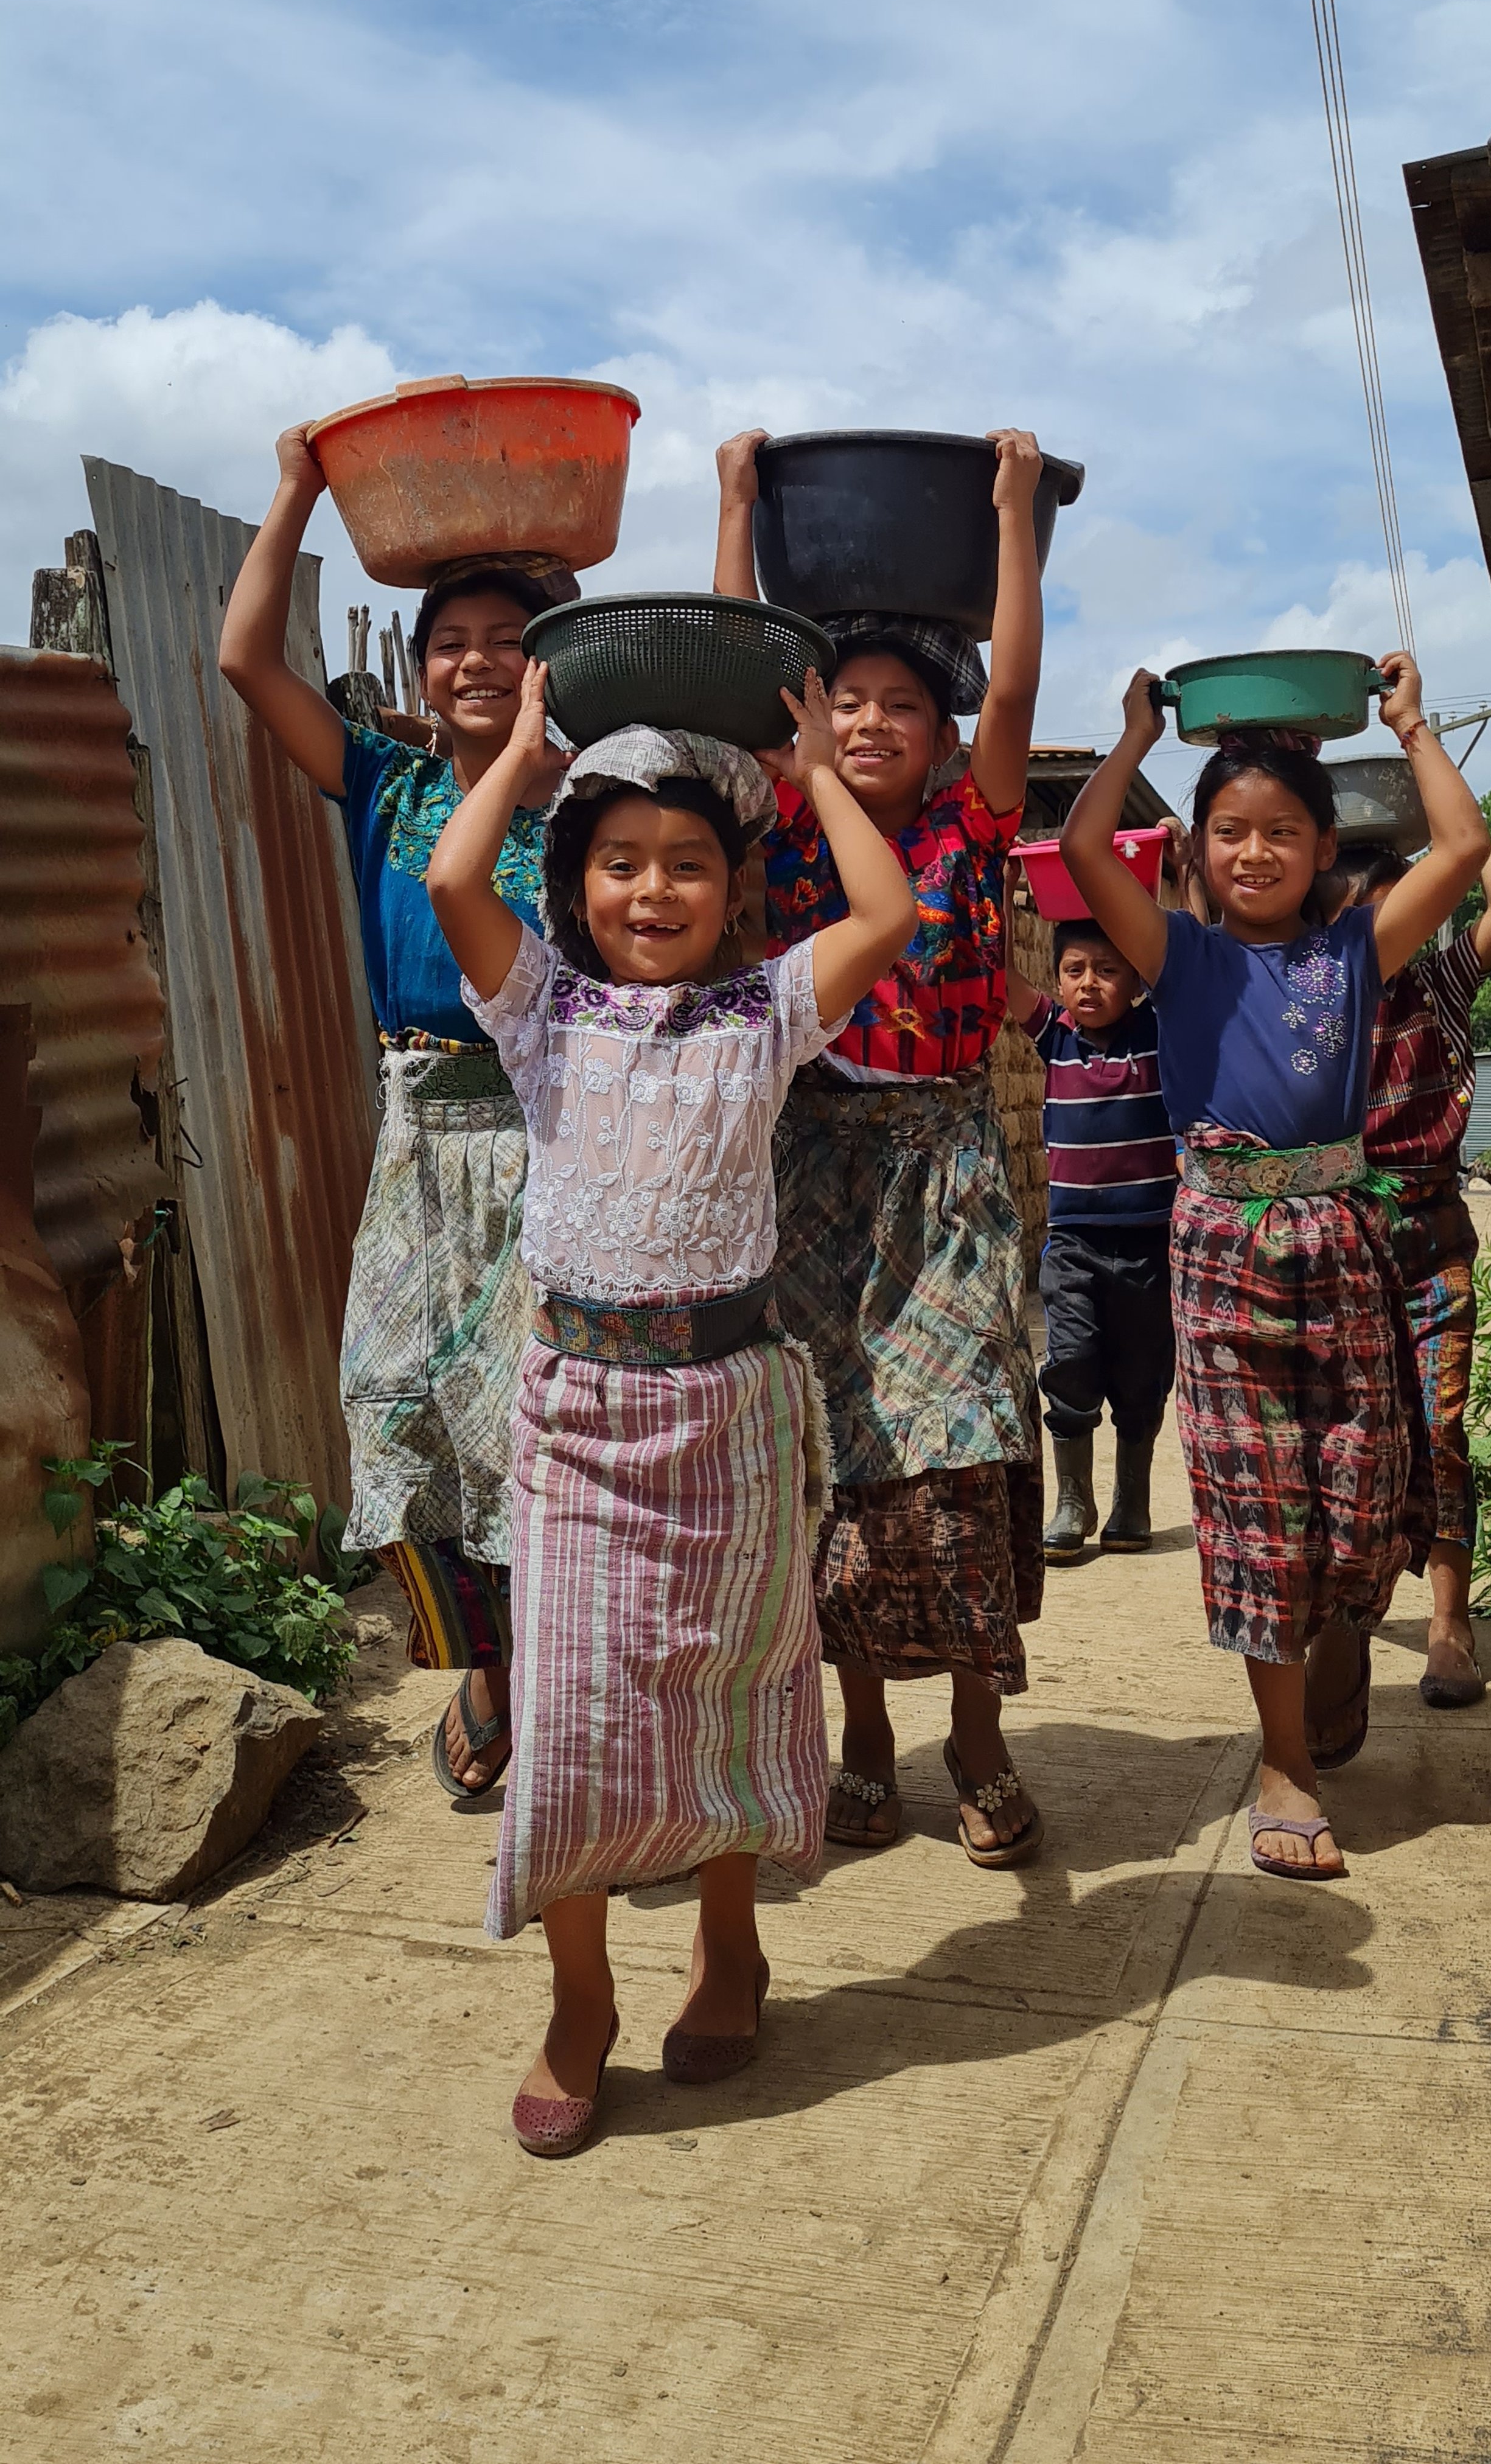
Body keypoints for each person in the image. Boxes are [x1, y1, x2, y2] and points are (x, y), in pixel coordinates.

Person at [425, 660, 915, 2157]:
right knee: (571, 1721)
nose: (654, 890)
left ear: (733, 888)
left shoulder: (765, 1014)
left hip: (734, 1413)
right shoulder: (538, 1012)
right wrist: (520, 755)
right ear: (574, 886)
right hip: (578, 1413)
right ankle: (582, 2001)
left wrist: (815, 763)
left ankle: (731, 1947)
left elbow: (887, 918)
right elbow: (454, 872)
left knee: (724, 1697)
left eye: (688, 864)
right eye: (620, 863)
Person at [1060, 655, 1487, 1883]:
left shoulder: (1355, 952)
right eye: (1229, 833)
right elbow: (1089, 847)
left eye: (1281, 833)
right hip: (1220, 1246)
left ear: (1318, 848)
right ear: (1193, 855)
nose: (1254, 854)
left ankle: (1343, 1633)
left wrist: (1409, 726)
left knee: (1357, 1490)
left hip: (1341, 1238)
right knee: (1255, 1510)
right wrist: (1134, 734)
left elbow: (1456, 851)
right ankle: (1280, 1758)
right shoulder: (1179, 958)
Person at [218, 424, 568, 1801]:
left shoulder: (595, 807)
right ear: (422, 670)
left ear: (547, 662)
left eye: (505, 639)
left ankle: (557, 1668)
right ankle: (490, 1666)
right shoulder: (391, 786)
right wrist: (299, 489)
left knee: (546, 1422)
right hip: (422, 1139)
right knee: (402, 1413)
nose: (474, 661)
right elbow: (249, 659)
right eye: (452, 641)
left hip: (555, 1142)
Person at [713, 425, 1046, 1868]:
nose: (868, 724)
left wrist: (1014, 517)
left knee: (958, 1457)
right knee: (834, 1472)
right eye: (843, 705)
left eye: (899, 705)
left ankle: (976, 1730)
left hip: (947, 1165)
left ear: (942, 730)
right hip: (811, 1170)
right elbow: (736, 682)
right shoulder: (785, 835)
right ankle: (860, 1733)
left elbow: (1020, 676)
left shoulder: (974, 830)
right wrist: (733, 503)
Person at [1353, 833, 1491, 1711]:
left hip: (1432, 1245)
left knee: (1443, 1430)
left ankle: (1449, 1626)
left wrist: (1461, 826)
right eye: (1357, 912)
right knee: (1358, 1445)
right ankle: (1350, 1605)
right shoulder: (1313, 1000)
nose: (1379, 925)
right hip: (1341, 1253)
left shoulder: (1442, 986)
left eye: (1396, 905)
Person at [1006, 916, 1178, 1562]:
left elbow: (1186, 969)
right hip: (1073, 1241)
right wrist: (1001, 881)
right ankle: (1073, 1499)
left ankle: (1131, 1496)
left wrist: (1181, 875)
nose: (1089, 983)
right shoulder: (1055, 1038)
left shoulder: (1155, 1032)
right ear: (1057, 979)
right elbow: (1002, 977)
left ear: (1135, 978)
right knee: (1070, 1361)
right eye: (1074, 969)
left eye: (1108, 969)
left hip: (1147, 1243)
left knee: (1142, 1373)